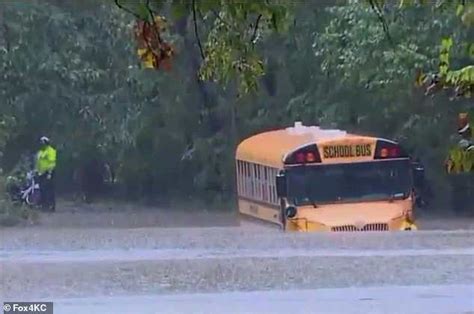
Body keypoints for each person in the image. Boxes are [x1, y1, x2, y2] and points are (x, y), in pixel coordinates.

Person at [35, 136, 57, 211]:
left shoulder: (51, 151)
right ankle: (44, 205)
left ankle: (51, 205)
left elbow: (52, 163)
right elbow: (38, 163)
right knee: (42, 189)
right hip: (41, 173)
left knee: (49, 189)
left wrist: (49, 173)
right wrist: (36, 171)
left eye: (43, 143)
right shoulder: (40, 152)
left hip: (48, 172)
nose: (41, 144)